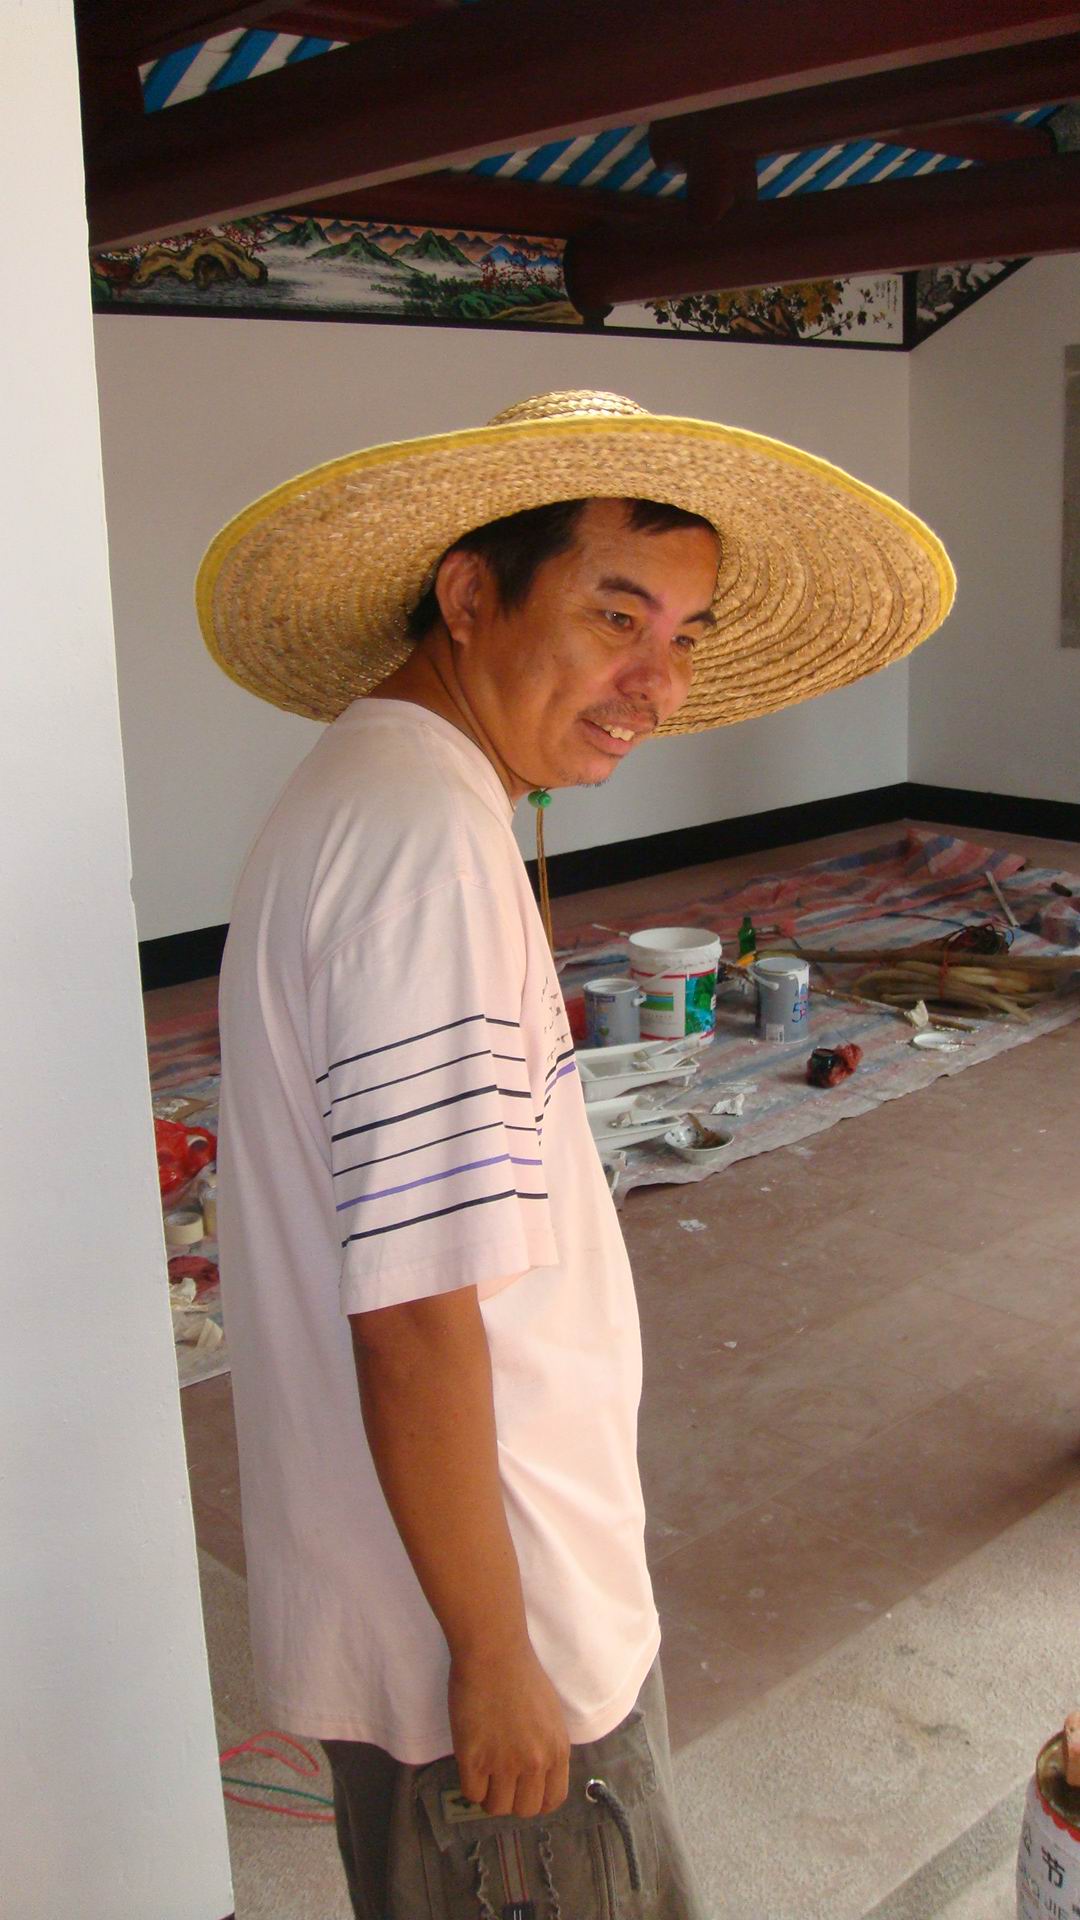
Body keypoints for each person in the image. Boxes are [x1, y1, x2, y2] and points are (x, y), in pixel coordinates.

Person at [199, 390, 953, 1919]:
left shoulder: (386, 789)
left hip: (447, 1597)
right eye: (618, 617)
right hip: (493, 1632)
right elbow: (415, 1314)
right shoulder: (423, 850)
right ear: (471, 595)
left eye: (685, 635)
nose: (656, 682)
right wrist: (497, 1658)